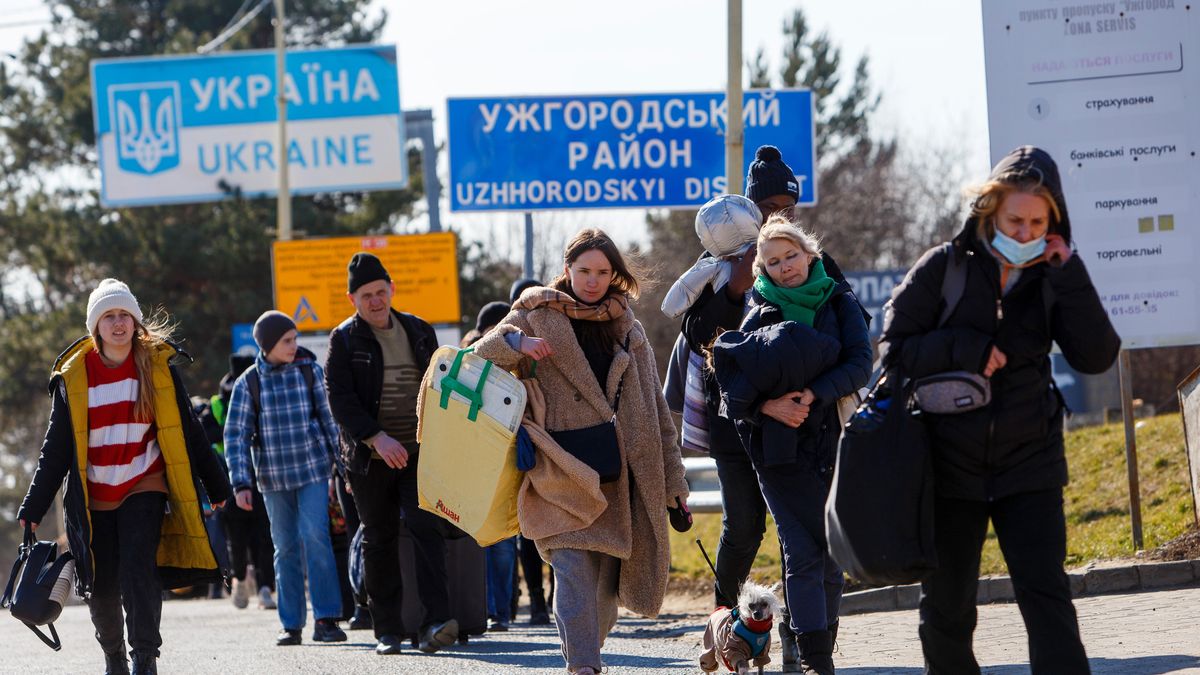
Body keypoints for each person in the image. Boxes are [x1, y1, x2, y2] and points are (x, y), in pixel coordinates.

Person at [878, 146, 1119, 674]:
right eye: (1016, 219)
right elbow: (893, 349)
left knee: (1048, 601)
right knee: (947, 608)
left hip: (1030, 463)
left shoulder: (1055, 277)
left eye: (1039, 221)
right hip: (948, 468)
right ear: (990, 210)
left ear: (1054, 221)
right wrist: (963, 346)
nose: (1027, 231)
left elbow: (1098, 356)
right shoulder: (944, 267)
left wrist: (1069, 272)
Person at [472, 228, 690, 675]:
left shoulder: (628, 327)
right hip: (557, 464)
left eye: (602, 272)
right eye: (584, 270)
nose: (592, 281)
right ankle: (585, 667)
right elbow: (475, 359)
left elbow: (655, 409)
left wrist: (674, 484)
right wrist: (517, 344)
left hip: (617, 470)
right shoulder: (533, 314)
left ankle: (586, 651)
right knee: (570, 567)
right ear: (567, 269)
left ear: (614, 276)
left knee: (604, 594)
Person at [18, 278, 231, 675]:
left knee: (139, 568)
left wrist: (217, 484)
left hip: (142, 482)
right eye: (108, 317)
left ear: (136, 322)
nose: (118, 324)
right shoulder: (75, 377)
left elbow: (189, 431)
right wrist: (33, 504)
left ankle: (145, 657)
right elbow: (56, 451)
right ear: (95, 327)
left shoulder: (157, 368)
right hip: (94, 492)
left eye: (125, 316)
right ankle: (114, 655)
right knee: (100, 585)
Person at [712, 217, 872, 675]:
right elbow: (733, 384)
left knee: (831, 554)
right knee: (802, 552)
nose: (785, 268)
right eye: (774, 262)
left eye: (791, 256)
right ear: (764, 270)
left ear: (810, 253)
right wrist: (770, 406)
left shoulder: (839, 300)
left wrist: (813, 393)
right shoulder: (757, 308)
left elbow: (861, 364)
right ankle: (815, 661)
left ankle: (822, 643)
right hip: (778, 455)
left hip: (833, 446)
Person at [325, 252, 459, 656]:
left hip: (418, 453)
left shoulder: (419, 330)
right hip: (370, 459)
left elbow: (440, 387)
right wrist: (376, 437)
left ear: (392, 290)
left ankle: (436, 622)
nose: (376, 301)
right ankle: (388, 631)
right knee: (379, 538)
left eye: (381, 292)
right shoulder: (344, 339)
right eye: (367, 295)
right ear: (353, 299)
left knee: (426, 528)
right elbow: (340, 399)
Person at [223, 311, 347, 647]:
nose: (295, 346)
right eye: (287, 341)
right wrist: (240, 483)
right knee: (285, 548)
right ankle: (291, 623)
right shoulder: (249, 382)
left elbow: (330, 423)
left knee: (315, 536)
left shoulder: (310, 372)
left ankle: (326, 618)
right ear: (267, 345)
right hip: (272, 479)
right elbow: (235, 435)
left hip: (313, 472)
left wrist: (343, 469)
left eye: (295, 339)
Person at [461, 301, 522, 633]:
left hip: (507, 463)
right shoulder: (469, 364)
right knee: (482, 543)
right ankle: (487, 609)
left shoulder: (518, 362)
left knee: (503, 545)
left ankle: (502, 610)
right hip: (475, 464)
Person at [201, 355, 277, 611]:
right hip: (234, 478)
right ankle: (243, 582)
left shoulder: (224, 401)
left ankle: (261, 587)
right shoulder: (237, 398)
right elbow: (204, 436)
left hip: (243, 477)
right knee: (246, 538)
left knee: (256, 537)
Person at [508, 278, 554, 627]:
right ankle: (538, 601)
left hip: (555, 445)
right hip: (521, 446)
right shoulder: (509, 339)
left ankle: (553, 599)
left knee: (554, 528)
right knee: (528, 529)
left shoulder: (559, 337)